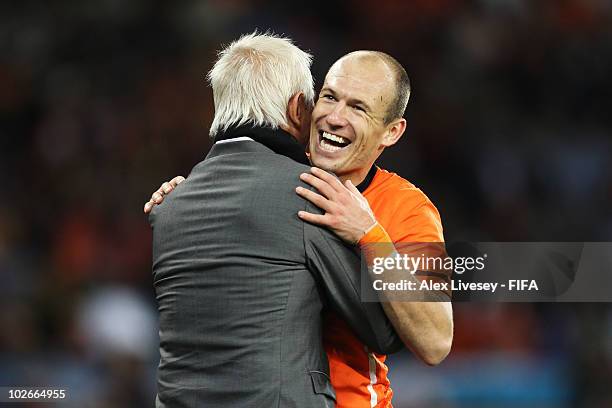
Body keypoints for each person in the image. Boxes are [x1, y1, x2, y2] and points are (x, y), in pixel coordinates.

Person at [146, 49, 454, 407]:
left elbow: (436, 342)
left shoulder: (409, 207)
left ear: (391, 132)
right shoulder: (280, 184)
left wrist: (370, 235)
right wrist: (184, 201)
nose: (335, 117)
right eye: (329, 97)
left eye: (358, 108)